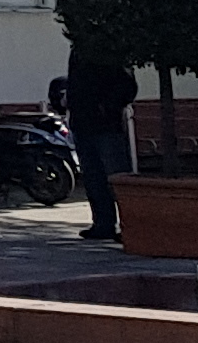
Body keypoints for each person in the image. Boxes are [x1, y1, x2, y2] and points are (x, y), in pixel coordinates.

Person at [53, 56, 138, 243]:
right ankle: (103, 224)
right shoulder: (78, 50)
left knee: (117, 177)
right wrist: (70, 99)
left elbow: (127, 85)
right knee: (93, 177)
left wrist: (108, 107)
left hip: (106, 125)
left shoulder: (107, 45)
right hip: (82, 122)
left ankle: (129, 226)